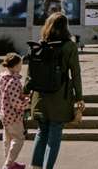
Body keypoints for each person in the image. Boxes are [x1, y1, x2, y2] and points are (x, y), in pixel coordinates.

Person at [25, 13, 83, 169]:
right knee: (54, 136)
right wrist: (79, 97)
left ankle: (35, 166)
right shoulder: (69, 46)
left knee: (41, 132)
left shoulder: (40, 44)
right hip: (60, 96)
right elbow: (75, 73)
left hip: (40, 96)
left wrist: (26, 91)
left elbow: (31, 72)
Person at [0, 53, 31, 169]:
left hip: (4, 113)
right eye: (20, 64)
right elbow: (16, 103)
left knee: (8, 139)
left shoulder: (3, 78)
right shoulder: (14, 81)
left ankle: (10, 162)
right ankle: (8, 164)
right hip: (13, 115)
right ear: (15, 66)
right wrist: (27, 101)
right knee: (19, 138)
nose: (21, 67)